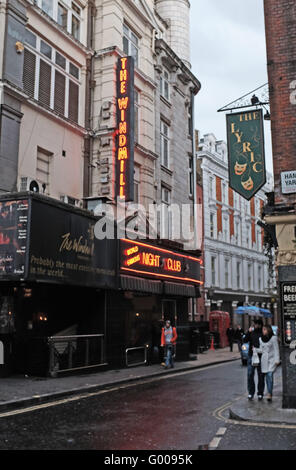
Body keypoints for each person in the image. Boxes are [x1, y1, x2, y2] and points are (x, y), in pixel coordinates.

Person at [254, 325, 280, 402]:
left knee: (269, 376)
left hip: (271, 360)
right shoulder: (260, 339)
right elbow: (261, 350)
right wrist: (255, 349)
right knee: (266, 377)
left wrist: (277, 360)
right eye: (263, 329)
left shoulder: (273, 338)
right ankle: (269, 392)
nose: (263, 331)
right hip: (264, 360)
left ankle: (269, 393)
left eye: (264, 329)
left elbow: (276, 349)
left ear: (268, 330)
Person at [243, 319, 265, 401]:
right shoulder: (251, 332)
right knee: (250, 374)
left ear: (259, 325)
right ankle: (251, 393)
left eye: (255, 324)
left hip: (261, 357)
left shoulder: (263, 333)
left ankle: (260, 393)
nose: (254, 325)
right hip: (251, 356)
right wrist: (248, 332)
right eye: (254, 324)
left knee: (261, 376)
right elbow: (245, 340)